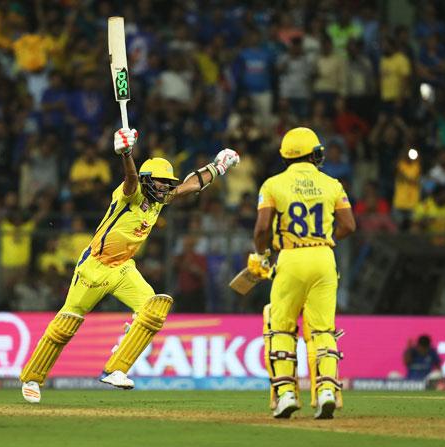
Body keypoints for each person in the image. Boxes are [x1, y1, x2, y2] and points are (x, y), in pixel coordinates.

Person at [19, 128, 240, 403]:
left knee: (155, 307)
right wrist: (125, 153)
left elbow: (192, 184)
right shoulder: (131, 194)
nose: (164, 187)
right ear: (148, 181)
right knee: (67, 324)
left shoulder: (163, 198)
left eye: (167, 183)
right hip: (94, 267)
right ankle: (32, 377)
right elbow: (131, 178)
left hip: (122, 267)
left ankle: (116, 369)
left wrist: (218, 167)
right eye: (159, 182)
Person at [249, 127, 355, 419]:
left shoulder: (272, 184)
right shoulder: (332, 183)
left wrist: (262, 255)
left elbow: (261, 229)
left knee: (281, 327)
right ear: (315, 154)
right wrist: (324, 239)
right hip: (324, 257)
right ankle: (326, 392)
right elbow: (349, 225)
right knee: (323, 330)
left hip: (291, 258)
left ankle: (285, 395)